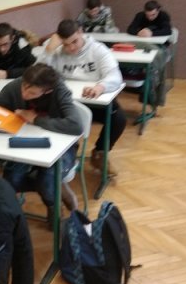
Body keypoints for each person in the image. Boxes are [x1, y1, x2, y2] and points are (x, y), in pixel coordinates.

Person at [0, 64, 82, 215]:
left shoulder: (59, 90)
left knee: (47, 181)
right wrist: (7, 120)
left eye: (32, 92)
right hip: (25, 143)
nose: (24, 94)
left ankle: (54, 206)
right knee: (12, 180)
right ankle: (55, 186)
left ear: (47, 91)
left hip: (60, 147)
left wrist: (35, 119)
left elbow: (76, 126)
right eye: (24, 87)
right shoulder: (17, 85)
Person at [35, 20, 126, 176]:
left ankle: (100, 153)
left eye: (74, 42)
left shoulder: (98, 50)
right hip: (66, 102)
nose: (71, 48)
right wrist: (49, 50)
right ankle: (63, 154)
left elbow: (115, 76)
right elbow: (37, 76)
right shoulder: (57, 53)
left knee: (118, 118)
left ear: (80, 32)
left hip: (92, 100)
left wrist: (100, 87)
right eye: (66, 44)